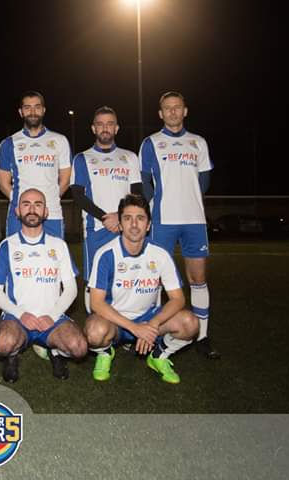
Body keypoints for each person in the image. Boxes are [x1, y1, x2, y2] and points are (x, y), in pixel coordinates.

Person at [85, 194, 199, 384]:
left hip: (149, 318)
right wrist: (134, 328)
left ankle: (159, 355)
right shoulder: (106, 254)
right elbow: (96, 303)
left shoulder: (160, 254)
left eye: (140, 218)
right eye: (127, 218)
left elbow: (178, 299)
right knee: (94, 332)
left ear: (148, 225)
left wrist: (152, 325)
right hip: (115, 321)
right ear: (120, 224)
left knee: (190, 323)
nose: (134, 224)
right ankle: (105, 353)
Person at [139, 91, 219, 359]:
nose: (172, 112)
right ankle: (152, 333)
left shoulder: (198, 142)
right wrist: (154, 205)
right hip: (163, 221)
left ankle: (202, 336)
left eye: (177, 107)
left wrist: (189, 200)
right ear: (160, 113)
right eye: (167, 108)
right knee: (155, 280)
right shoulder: (151, 143)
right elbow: (144, 181)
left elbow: (204, 180)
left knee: (198, 279)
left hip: (194, 220)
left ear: (185, 111)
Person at [0, 188, 87, 383]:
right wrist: (20, 314)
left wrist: (52, 315)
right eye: (26, 204)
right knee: (3, 344)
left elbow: (71, 289)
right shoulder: (7, 246)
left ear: (46, 212)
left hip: (51, 319)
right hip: (17, 318)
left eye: (38, 204)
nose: (32, 209)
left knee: (79, 347)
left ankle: (55, 351)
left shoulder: (58, 245)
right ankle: (12, 355)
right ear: (17, 211)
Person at [70, 106, 142, 285]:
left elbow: (137, 194)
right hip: (96, 229)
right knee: (95, 283)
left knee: (126, 282)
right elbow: (78, 195)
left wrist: (120, 216)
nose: (105, 128)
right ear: (93, 128)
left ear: (116, 128)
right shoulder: (82, 158)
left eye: (109, 124)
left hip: (126, 227)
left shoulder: (130, 157)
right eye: (100, 124)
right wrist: (105, 218)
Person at [0, 91, 71, 239]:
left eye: (37, 107)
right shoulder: (8, 144)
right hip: (19, 215)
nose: (32, 112)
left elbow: (65, 180)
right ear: (21, 112)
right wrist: (22, 204)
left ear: (43, 110)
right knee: (17, 254)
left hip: (52, 213)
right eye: (27, 108)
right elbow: (3, 184)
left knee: (54, 254)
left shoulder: (60, 140)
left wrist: (46, 201)